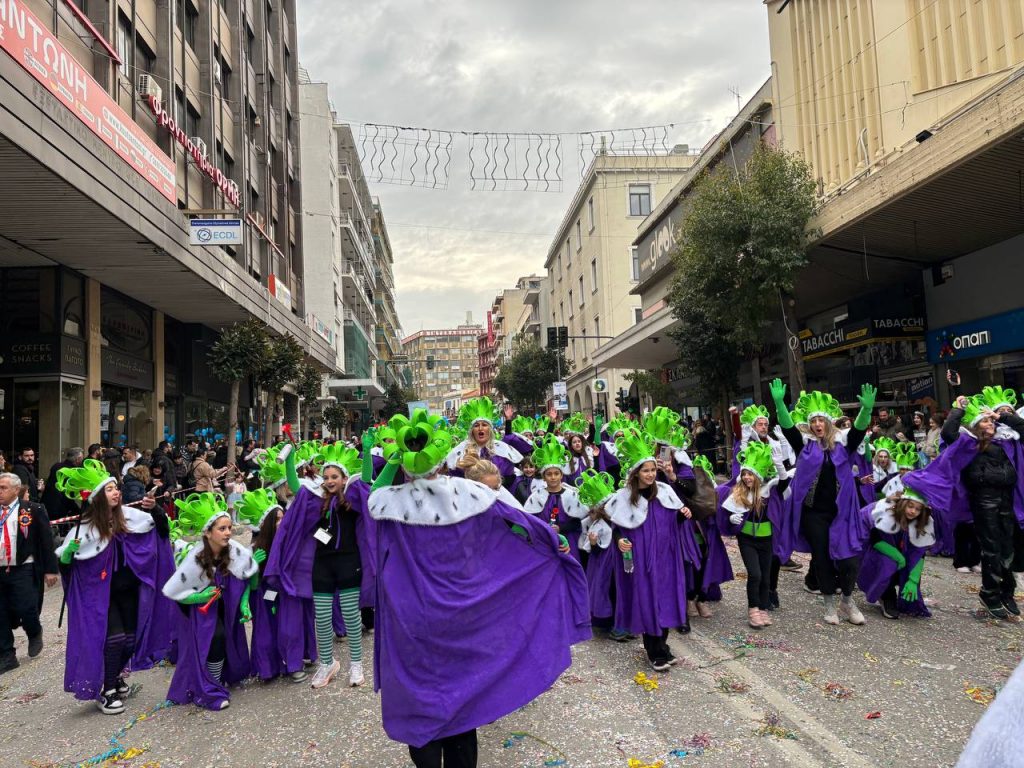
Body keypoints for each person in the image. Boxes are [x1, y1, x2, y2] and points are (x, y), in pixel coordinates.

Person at [368, 409, 589, 767]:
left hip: (411, 619)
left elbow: (370, 495)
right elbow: (519, 521)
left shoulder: (387, 503)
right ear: (442, 462)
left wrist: (391, 462)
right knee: (462, 696)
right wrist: (553, 540)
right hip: (465, 612)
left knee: (419, 700)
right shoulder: (469, 492)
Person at [264, 438, 391, 690]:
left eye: (335, 476)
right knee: (321, 618)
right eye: (326, 476)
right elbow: (293, 484)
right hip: (321, 564)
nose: (330, 480)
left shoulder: (353, 496)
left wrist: (366, 452)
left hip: (348, 562)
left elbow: (365, 478)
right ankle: (327, 663)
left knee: (351, 616)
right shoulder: (314, 500)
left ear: (344, 478)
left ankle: (356, 663)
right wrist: (290, 459)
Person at [55, 460, 175, 713]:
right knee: (115, 639)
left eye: (116, 488)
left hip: (129, 592)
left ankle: (115, 675)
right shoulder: (83, 529)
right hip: (101, 597)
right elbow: (70, 571)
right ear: (97, 497)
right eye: (110, 489)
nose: (117, 492)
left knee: (130, 642)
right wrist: (67, 556)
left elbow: (161, 533)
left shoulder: (130, 517)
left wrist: (156, 510)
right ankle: (107, 690)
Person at [770, 379, 876, 626]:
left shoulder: (844, 445)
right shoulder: (804, 446)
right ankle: (829, 603)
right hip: (813, 514)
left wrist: (866, 410)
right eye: (814, 421)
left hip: (842, 513)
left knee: (850, 558)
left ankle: (847, 600)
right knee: (822, 558)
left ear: (829, 423)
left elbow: (859, 430)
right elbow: (788, 429)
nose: (818, 425)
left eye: (821, 421)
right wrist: (779, 403)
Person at [605, 429, 693, 672]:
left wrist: (683, 516)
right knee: (648, 601)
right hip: (642, 558)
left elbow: (672, 522)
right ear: (636, 473)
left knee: (664, 600)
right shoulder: (624, 497)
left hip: (665, 557)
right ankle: (654, 651)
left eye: (653, 470)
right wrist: (620, 540)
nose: (651, 474)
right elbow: (617, 526)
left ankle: (662, 646)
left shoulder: (665, 492)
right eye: (646, 470)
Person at [163, 493, 258, 711]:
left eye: (229, 528)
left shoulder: (235, 550)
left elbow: (248, 576)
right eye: (222, 529)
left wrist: (244, 603)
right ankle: (209, 687)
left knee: (226, 640)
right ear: (207, 532)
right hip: (201, 612)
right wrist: (199, 597)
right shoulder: (195, 558)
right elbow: (173, 592)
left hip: (227, 606)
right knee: (215, 638)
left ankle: (219, 678)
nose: (228, 533)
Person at [940, 391, 1024, 619]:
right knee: (991, 549)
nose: (990, 422)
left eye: (990, 419)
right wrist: (958, 409)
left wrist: (1001, 417)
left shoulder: (1008, 442)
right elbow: (948, 432)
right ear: (977, 426)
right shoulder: (970, 444)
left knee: (1008, 548)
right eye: (985, 420)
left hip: (1007, 499)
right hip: (983, 501)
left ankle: (1007, 593)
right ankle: (990, 593)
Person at [722, 444, 786, 629]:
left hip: (767, 540)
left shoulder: (769, 492)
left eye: (750, 474)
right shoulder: (739, 494)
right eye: (744, 474)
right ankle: (753, 610)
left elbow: (784, 482)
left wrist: (778, 463)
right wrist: (732, 519)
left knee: (766, 576)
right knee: (755, 574)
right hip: (747, 539)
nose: (747, 477)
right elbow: (726, 515)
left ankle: (763, 608)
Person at [0, 473, 58, 674]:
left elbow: (45, 541)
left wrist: (51, 570)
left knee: (26, 607)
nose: (0, 492)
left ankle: (34, 631)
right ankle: (7, 655)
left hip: (23, 566)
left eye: (3, 488)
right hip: (0, 567)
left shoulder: (33, 510)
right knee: (0, 613)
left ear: (16, 490)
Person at [858, 477, 936, 620]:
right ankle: (887, 595)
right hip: (875, 549)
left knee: (911, 565)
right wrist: (897, 556)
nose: (913, 511)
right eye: (910, 506)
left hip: (900, 551)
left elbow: (919, 553)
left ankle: (902, 595)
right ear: (904, 504)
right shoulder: (888, 513)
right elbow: (875, 539)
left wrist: (913, 580)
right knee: (888, 563)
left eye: (918, 509)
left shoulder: (922, 523)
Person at [523, 437, 586, 561]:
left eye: (556, 474)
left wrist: (561, 528)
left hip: (569, 543)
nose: (553, 477)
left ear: (561, 475)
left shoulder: (571, 494)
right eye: (549, 474)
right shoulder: (536, 496)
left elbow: (579, 521)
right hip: (545, 543)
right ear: (544, 477)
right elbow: (531, 521)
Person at [446, 397, 523, 488]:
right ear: (472, 430)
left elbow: (510, 479)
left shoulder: (502, 449)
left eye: (484, 425)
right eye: (476, 425)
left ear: (490, 429)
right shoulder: (461, 450)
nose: (480, 428)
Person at [41, 447, 85, 535]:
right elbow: (68, 494)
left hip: (47, 504)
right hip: (60, 507)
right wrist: (78, 510)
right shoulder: (72, 472)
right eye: (82, 459)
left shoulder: (56, 466)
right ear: (78, 459)